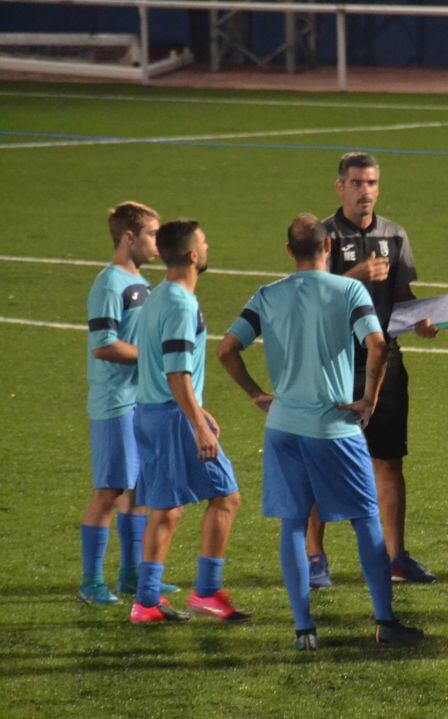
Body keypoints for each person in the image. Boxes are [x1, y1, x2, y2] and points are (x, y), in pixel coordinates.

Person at [218, 214, 424, 651]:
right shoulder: (348, 290)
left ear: (289, 251)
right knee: (365, 519)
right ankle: (385, 622)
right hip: (333, 427)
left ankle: (304, 629)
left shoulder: (267, 295)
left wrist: (257, 393)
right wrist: (369, 398)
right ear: (328, 248)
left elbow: (227, 350)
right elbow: (377, 344)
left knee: (293, 524)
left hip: (282, 427)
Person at [305, 152, 438, 587]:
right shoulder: (322, 237)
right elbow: (311, 299)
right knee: (325, 459)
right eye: (358, 183)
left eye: (373, 183)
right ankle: (314, 557)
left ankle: (396, 557)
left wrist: (421, 317)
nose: (366, 191)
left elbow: (401, 293)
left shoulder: (394, 235)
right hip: (337, 362)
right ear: (340, 187)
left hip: (385, 361)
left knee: (389, 459)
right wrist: (357, 274)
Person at [129, 220, 249, 624]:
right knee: (226, 497)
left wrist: (196, 408)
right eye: (205, 241)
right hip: (172, 417)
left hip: (151, 413)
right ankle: (208, 592)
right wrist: (196, 423)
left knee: (167, 509)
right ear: (193, 255)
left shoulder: (158, 296)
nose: (208, 245)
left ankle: (146, 602)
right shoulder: (180, 303)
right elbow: (177, 373)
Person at [78, 201, 178, 604]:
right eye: (152, 234)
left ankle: (132, 575)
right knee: (110, 490)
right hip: (115, 401)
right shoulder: (108, 284)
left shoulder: (140, 281)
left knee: (136, 490)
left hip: (141, 399)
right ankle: (90, 582)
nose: (158, 241)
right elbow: (103, 346)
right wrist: (151, 356)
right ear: (129, 237)